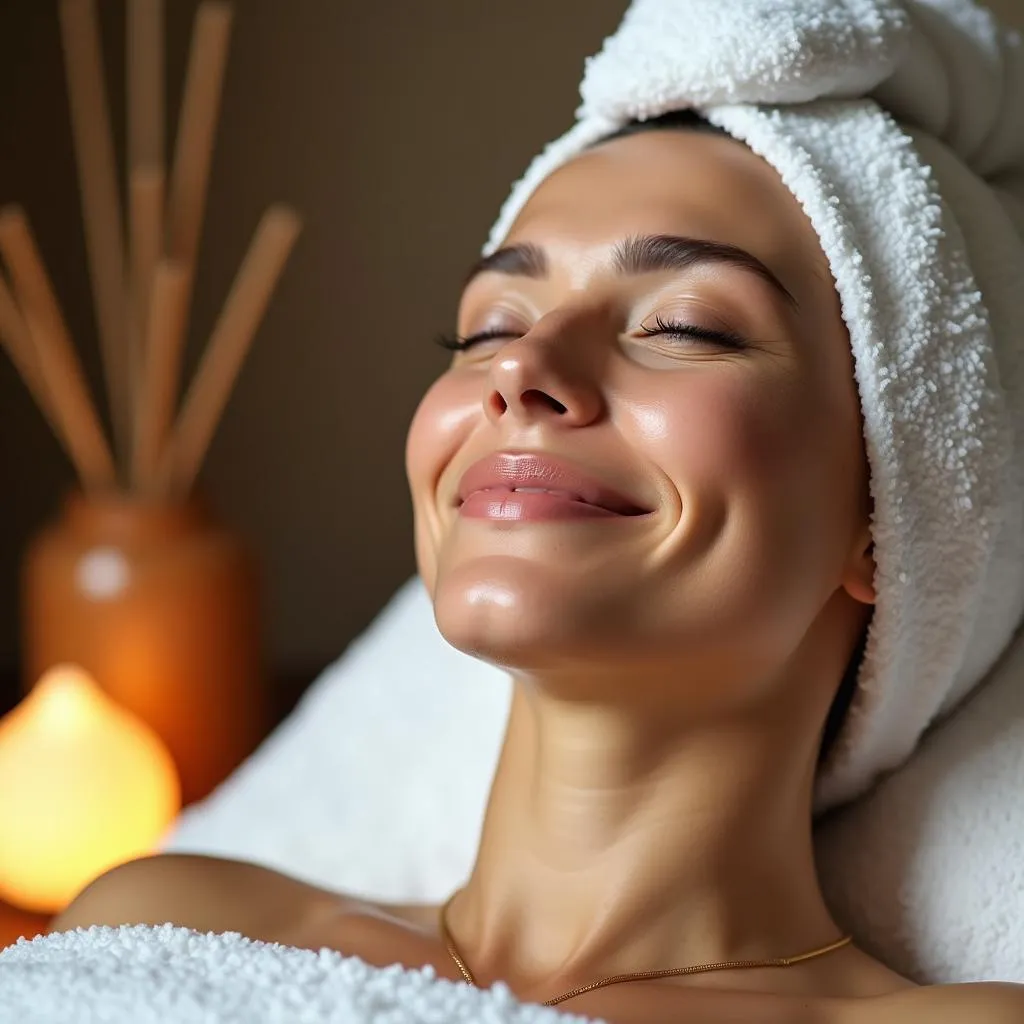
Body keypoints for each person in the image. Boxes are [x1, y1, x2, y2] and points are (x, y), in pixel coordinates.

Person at [53, 2, 1024, 1021]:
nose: (522, 367)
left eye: (683, 325)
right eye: (488, 328)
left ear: (898, 513)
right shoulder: (164, 924)